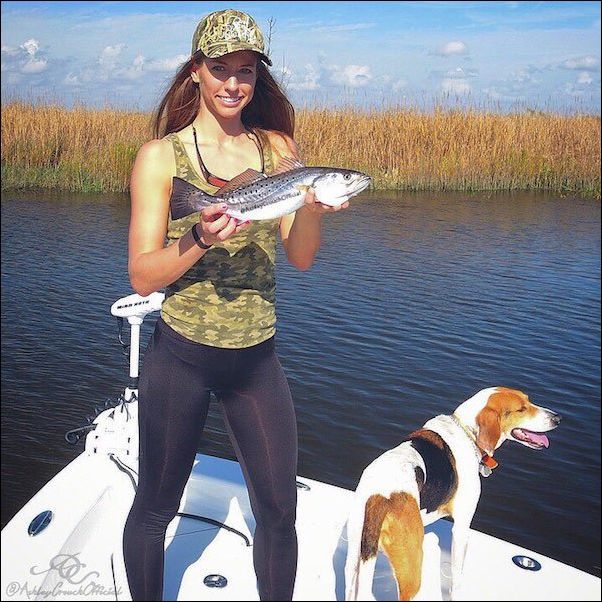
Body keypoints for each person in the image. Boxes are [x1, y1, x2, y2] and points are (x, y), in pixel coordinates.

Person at [122, 9, 349, 602]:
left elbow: (301, 257)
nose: (233, 83)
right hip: (181, 360)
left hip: (256, 361)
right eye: (220, 68)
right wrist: (199, 237)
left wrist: (312, 209)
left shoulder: (278, 149)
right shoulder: (161, 157)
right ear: (195, 71)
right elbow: (142, 276)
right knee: (154, 509)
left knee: (278, 513)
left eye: (245, 70)